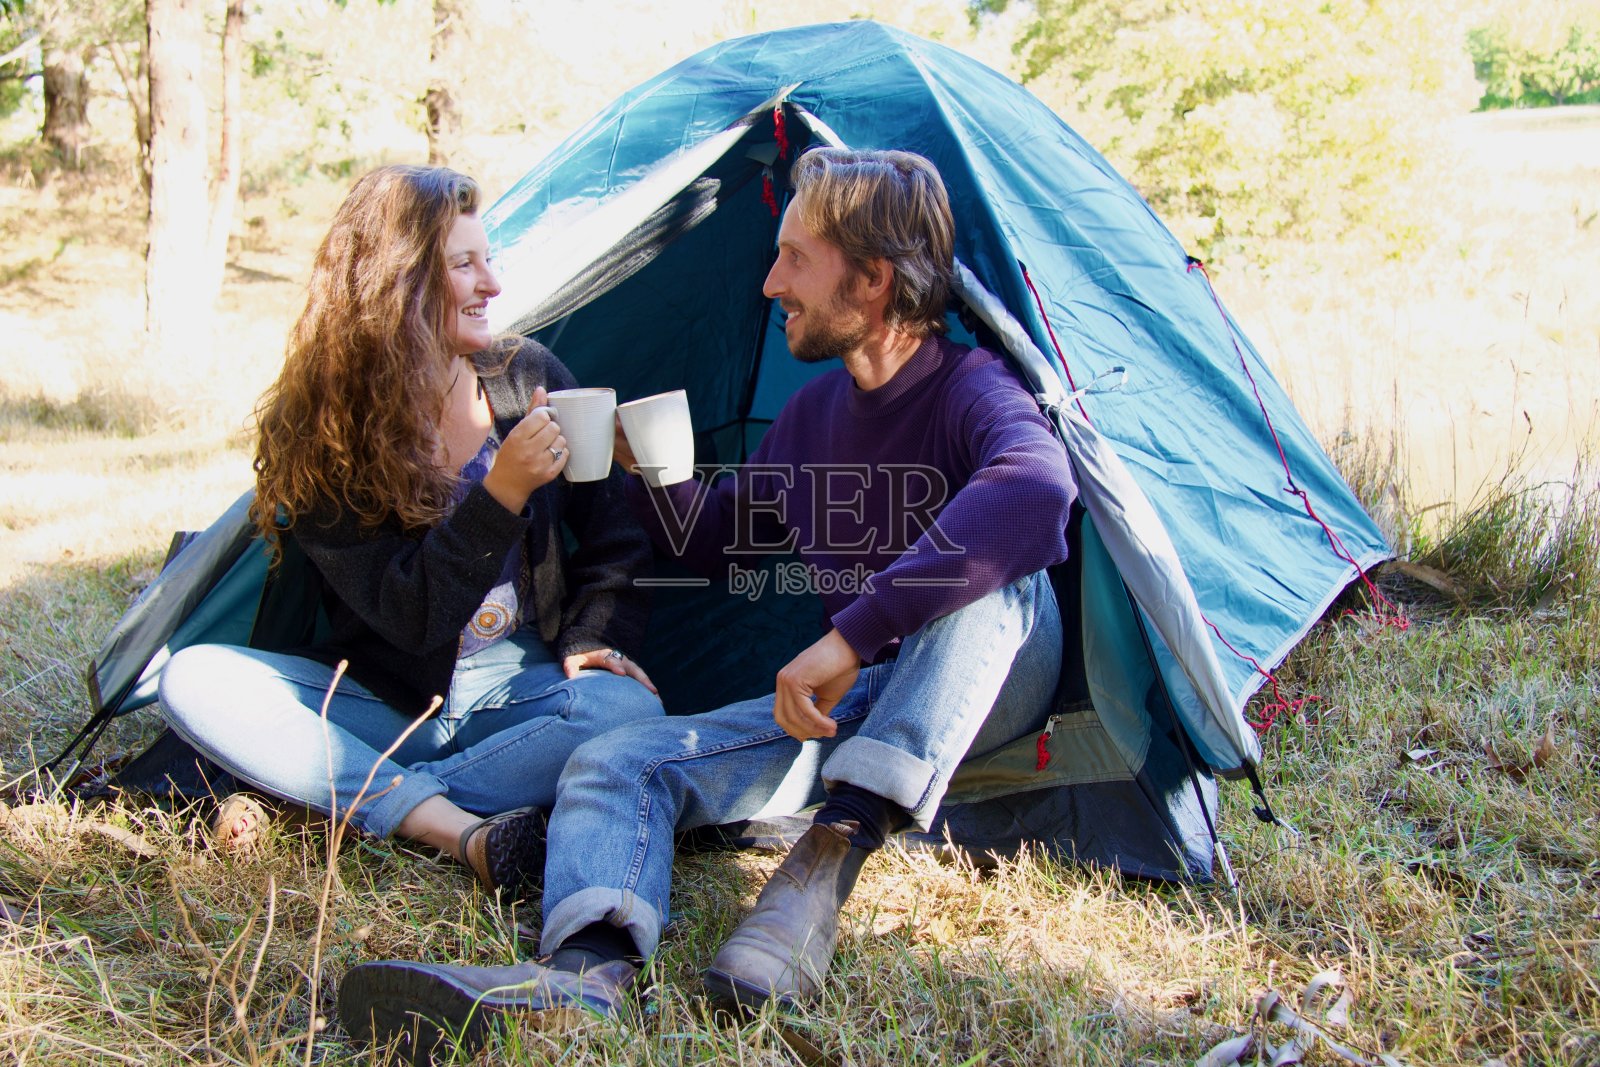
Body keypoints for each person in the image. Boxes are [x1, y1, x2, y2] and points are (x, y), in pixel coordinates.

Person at [339, 148, 1076, 1049]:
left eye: (794, 258)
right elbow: (713, 539)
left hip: (990, 679)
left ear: (874, 279)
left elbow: (1038, 496)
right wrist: (643, 458)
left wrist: (849, 635)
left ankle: (822, 865)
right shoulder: (813, 421)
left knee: (987, 584)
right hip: (852, 712)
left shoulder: (970, 392)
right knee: (617, 760)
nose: (769, 283)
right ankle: (581, 974)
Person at [157, 164, 664, 901]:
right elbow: (411, 617)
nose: (491, 283)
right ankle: (456, 827)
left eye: (488, 260)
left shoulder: (524, 374)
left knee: (628, 711)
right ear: (399, 282)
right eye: (464, 264)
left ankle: (332, 802)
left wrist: (590, 635)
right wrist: (501, 492)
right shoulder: (324, 431)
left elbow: (617, 533)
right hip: (381, 698)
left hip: (513, 692)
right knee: (194, 679)